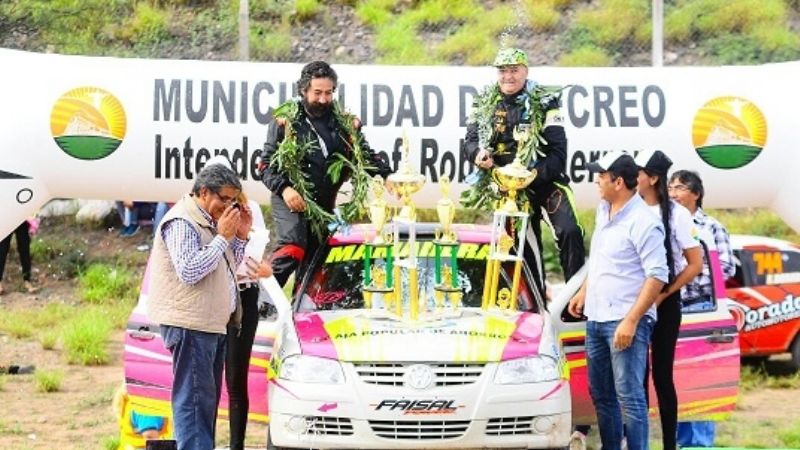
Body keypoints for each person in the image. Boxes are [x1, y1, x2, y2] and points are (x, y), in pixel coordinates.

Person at [567, 151, 668, 450]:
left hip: (624, 321)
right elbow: (599, 258)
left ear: (619, 182)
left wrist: (632, 320)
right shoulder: (604, 209)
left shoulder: (644, 222)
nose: (597, 181)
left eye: (601, 176)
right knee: (601, 395)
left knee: (630, 397)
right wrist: (585, 289)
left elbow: (657, 275)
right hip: (596, 318)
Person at [463, 47, 585, 294]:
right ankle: (539, 306)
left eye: (514, 70)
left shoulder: (545, 100)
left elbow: (559, 153)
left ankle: (577, 301)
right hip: (510, 191)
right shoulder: (484, 100)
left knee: (570, 231)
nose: (508, 76)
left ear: (526, 71)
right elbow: (470, 141)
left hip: (546, 181)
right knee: (525, 249)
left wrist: (531, 176)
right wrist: (478, 154)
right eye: (503, 71)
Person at [146, 163, 251, 450]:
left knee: (204, 407)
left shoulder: (210, 222)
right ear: (204, 192)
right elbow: (190, 270)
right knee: (194, 408)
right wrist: (223, 237)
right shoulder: (183, 221)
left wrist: (239, 237)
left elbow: (226, 265)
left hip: (211, 325)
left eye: (234, 201)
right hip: (191, 326)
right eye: (225, 199)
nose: (229, 207)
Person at [260, 60, 392, 287]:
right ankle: (259, 299)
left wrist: (387, 175)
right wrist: (285, 188)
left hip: (323, 206)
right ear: (303, 90)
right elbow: (265, 165)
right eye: (317, 93)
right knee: (293, 246)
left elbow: (365, 155)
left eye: (328, 93)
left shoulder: (344, 123)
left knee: (316, 266)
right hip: (292, 199)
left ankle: (299, 314)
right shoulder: (286, 121)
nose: (323, 99)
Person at [203, 155, 274, 450]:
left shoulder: (250, 208)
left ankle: (236, 446)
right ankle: (201, 442)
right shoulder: (198, 214)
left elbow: (253, 256)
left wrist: (242, 236)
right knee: (204, 380)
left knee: (235, 378)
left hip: (243, 292)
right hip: (210, 294)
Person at [634, 151, 703, 450]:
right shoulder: (630, 209)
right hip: (634, 301)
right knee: (636, 379)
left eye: (637, 173)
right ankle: (637, 442)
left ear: (653, 178)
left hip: (665, 302)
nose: (631, 178)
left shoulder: (677, 214)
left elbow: (694, 264)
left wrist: (663, 294)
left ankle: (669, 445)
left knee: (662, 376)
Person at [670, 170, 736, 447]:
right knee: (670, 382)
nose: (673, 193)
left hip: (699, 311)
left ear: (696, 194)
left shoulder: (711, 227)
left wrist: (689, 272)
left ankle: (697, 444)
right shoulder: (664, 222)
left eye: (680, 188)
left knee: (696, 382)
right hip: (669, 310)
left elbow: (726, 268)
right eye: (670, 187)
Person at [0, 220, 36, 295]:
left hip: (21, 218)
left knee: (24, 249)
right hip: (7, 217)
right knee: (2, 250)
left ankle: (27, 281)